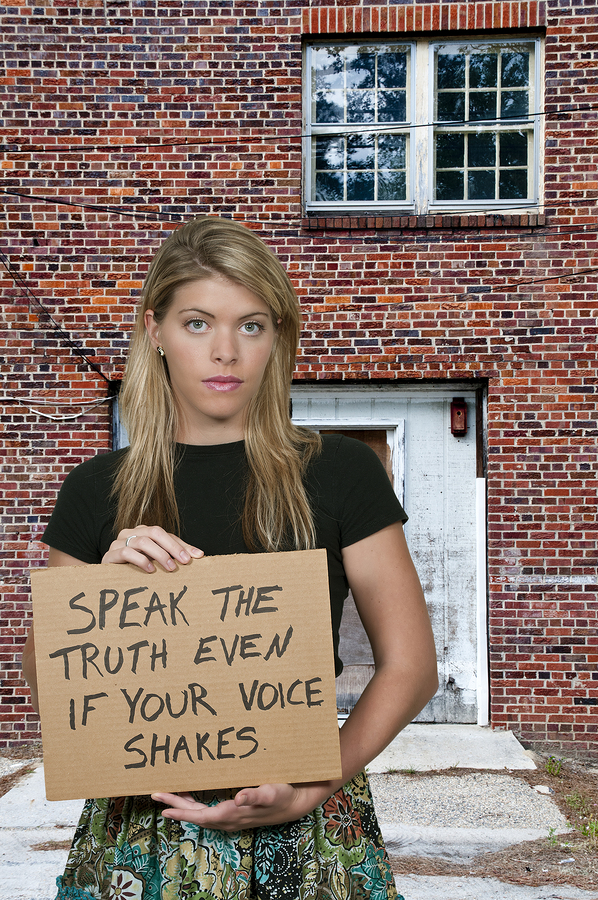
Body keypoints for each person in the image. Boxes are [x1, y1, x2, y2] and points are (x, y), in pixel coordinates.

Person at [22, 217, 438, 900]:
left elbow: (412, 666)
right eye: (197, 324)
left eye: (251, 325)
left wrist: (314, 783)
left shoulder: (340, 472)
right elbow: (47, 680)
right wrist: (101, 589)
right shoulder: (98, 487)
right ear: (155, 331)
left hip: (302, 818)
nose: (225, 351)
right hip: (142, 827)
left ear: (277, 339)